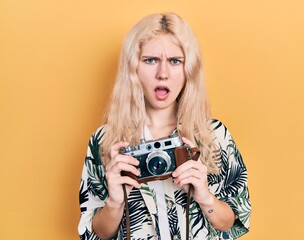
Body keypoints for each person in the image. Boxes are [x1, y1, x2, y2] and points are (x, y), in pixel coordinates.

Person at [78, 12, 251, 240]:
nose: (163, 74)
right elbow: (96, 234)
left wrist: (205, 196)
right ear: (133, 69)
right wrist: (114, 202)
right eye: (150, 60)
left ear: (188, 69)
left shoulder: (214, 135)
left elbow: (231, 223)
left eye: (174, 61)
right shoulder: (106, 141)